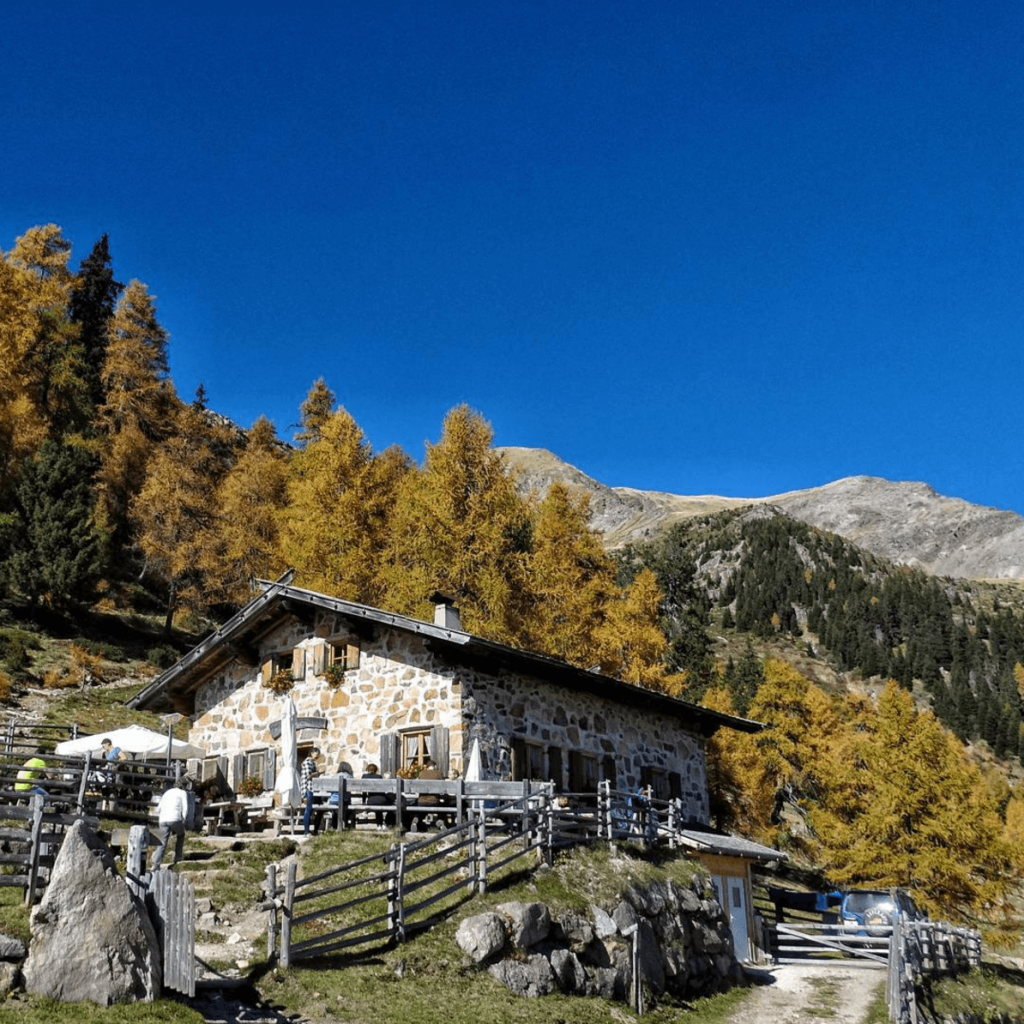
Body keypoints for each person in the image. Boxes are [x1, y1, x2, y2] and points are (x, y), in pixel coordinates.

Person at [151, 781, 190, 870]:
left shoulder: (166, 793)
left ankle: (156, 864)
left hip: (163, 819)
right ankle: (178, 858)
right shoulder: (182, 793)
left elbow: (159, 808)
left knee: (163, 841)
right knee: (181, 835)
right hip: (175, 818)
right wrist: (183, 819)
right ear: (183, 787)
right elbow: (185, 807)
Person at [300, 747, 321, 836]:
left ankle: (314, 830)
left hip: (313, 789)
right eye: (317, 754)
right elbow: (309, 776)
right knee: (308, 810)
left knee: (320, 809)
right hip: (308, 788)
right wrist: (318, 773)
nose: (318, 756)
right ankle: (306, 831)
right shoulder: (308, 762)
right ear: (312, 753)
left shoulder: (312, 763)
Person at [362, 762, 387, 829]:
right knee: (379, 803)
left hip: (371, 800)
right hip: (382, 800)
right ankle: (380, 824)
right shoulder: (379, 777)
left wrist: (363, 802)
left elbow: (364, 792)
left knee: (376, 801)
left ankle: (379, 825)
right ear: (375, 770)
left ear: (368, 769)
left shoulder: (364, 777)